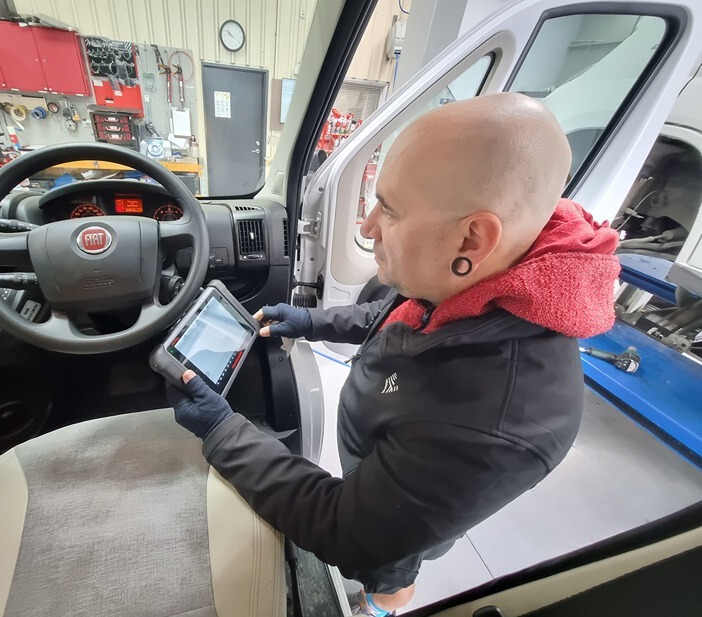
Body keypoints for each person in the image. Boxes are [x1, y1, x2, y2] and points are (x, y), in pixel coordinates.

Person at [167, 92, 620, 616]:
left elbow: (346, 529)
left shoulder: (490, 425)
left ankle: (383, 606)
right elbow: (396, 316)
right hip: (385, 456)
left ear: (473, 238)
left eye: (392, 210)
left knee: (390, 565)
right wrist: (313, 321)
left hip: (397, 510)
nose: (367, 227)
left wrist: (223, 431)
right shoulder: (477, 273)